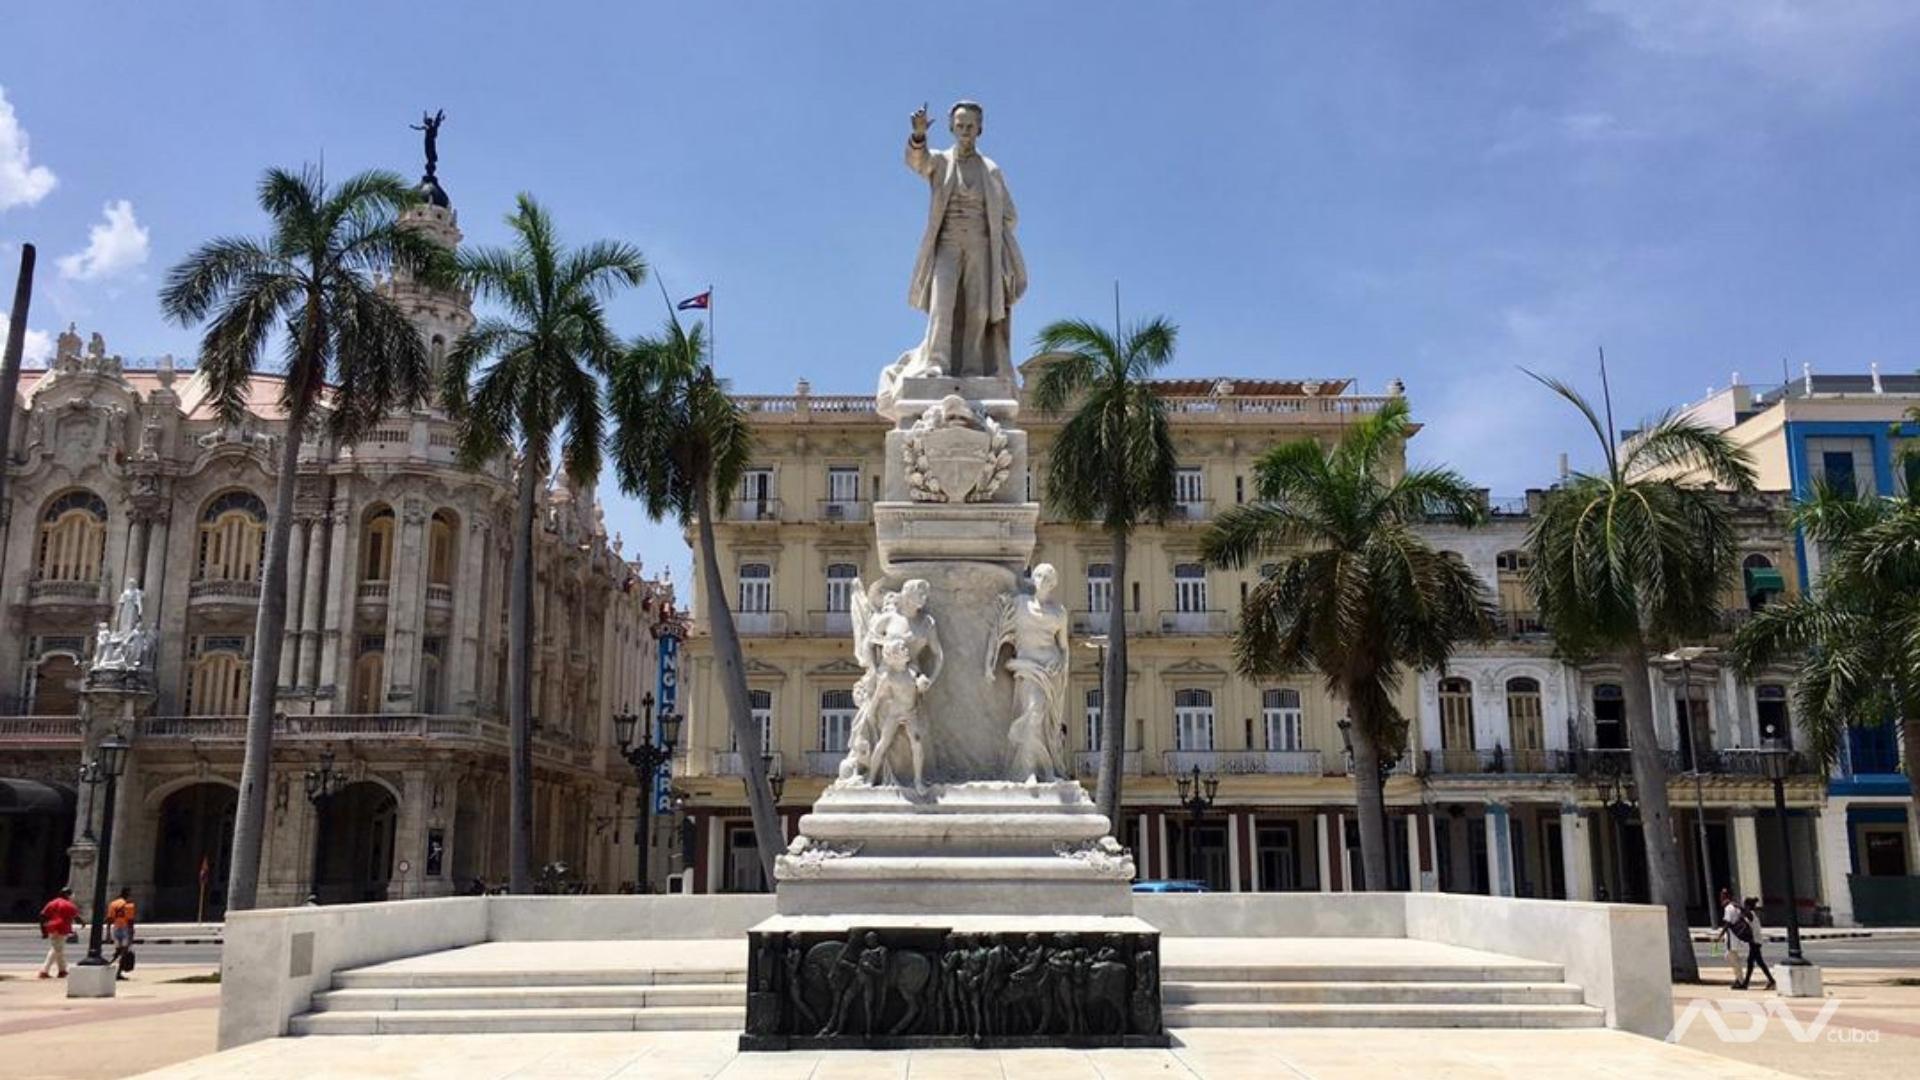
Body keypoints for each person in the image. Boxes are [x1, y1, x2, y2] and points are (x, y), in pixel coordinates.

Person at [37, 887, 81, 979]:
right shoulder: (69, 905)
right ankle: (45, 971)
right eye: (71, 894)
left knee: (58, 949)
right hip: (62, 928)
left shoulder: (52, 903)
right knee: (56, 950)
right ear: (67, 895)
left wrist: (43, 930)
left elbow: (42, 916)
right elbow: (77, 918)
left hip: (52, 928)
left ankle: (62, 971)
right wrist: (82, 923)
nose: (72, 896)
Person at [106, 887, 137, 980]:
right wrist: (131, 933)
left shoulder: (113, 904)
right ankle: (117, 972)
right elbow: (130, 921)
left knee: (118, 951)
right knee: (124, 952)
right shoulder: (129, 905)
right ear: (128, 894)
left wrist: (107, 933)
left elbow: (109, 919)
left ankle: (109, 966)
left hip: (116, 929)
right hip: (125, 929)